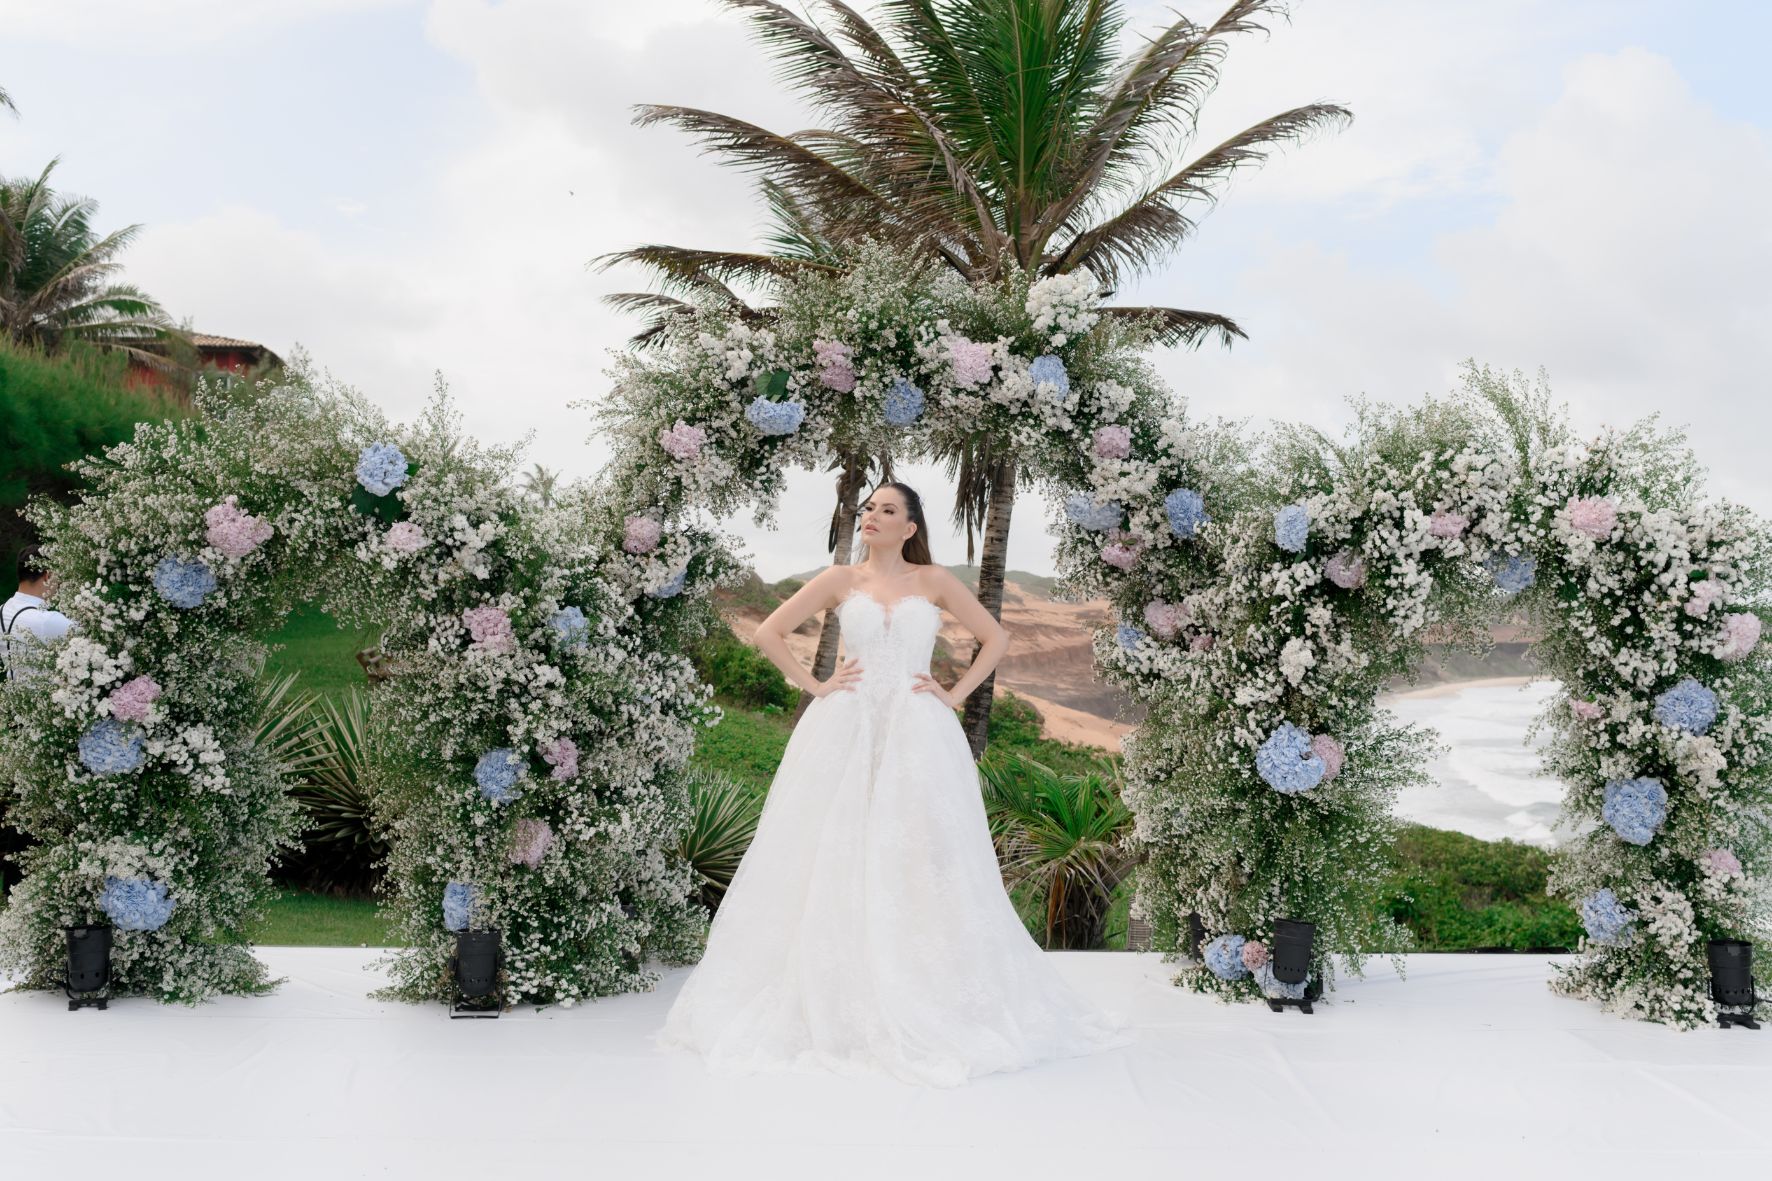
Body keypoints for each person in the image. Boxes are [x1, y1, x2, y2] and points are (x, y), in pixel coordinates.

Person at [656, 481, 1130, 1086]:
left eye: (886, 510)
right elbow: (768, 633)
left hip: (916, 730)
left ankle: (921, 983)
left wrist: (954, 694)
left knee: (916, 853)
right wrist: (816, 684)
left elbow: (997, 638)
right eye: (867, 509)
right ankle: (833, 987)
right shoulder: (839, 579)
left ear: (910, 527)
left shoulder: (932, 580)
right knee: (829, 845)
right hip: (846, 725)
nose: (871, 517)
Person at [2, 544, 74, 681]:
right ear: (47, 576)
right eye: (58, 576)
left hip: (16, 698)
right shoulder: (47, 620)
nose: (59, 583)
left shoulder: (2, 611)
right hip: (51, 699)